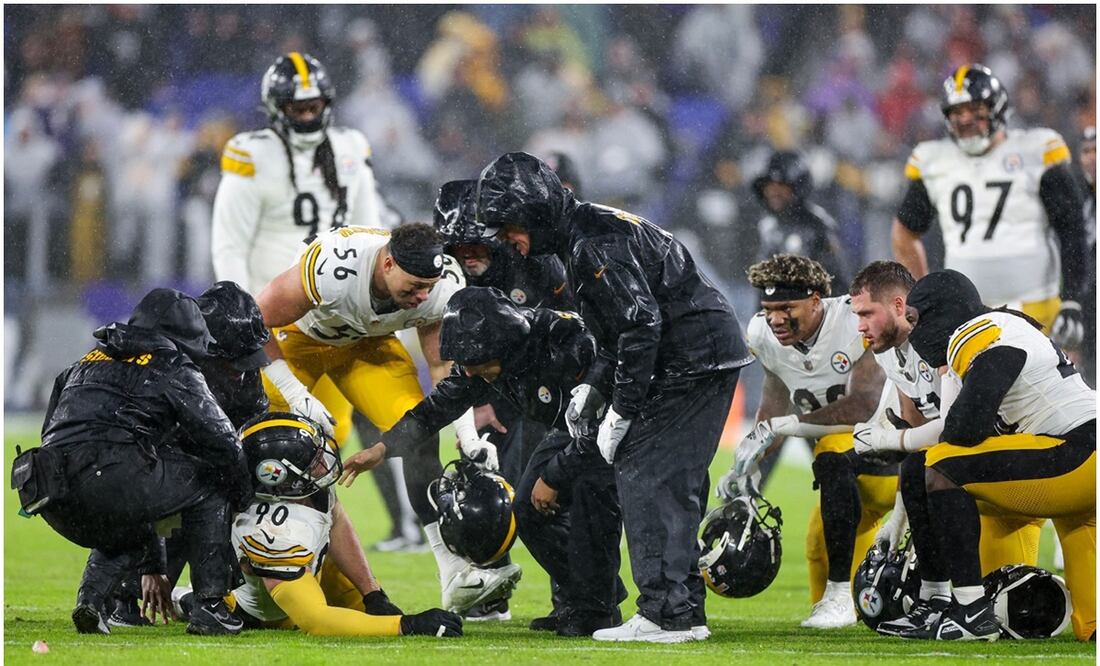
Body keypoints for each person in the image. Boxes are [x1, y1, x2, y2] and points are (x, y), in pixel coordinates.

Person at [475, 152, 753, 643]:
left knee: (647, 475)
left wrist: (621, 408)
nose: (507, 242)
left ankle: (668, 614)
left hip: (690, 360)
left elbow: (642, 325)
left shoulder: (592, 244)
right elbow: (622, 329)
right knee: (664, 480)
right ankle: (681, 608)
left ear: (533, 212)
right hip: (699, 354)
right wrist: (595, 385)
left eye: (508, 226)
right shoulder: (588, 232)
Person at [208, 51, 419, 553]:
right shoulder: (252, 152)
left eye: (315, 105)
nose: (307, 115)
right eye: (297, 107)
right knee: (265, 438)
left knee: (331, 435)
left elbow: (376, 235)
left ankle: (301, 544)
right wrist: (243, 320)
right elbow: (229, 244)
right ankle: (244, 547)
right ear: (276, 108)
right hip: (279, 324)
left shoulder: (348, 147)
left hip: (342, 317)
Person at [253, 222, 522, 614]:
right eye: (414, 286)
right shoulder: (334, 267)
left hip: (367, 346)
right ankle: (242, 572)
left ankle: (452, 573)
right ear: (388, 263)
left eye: (429, 287)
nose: (422, 296)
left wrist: (467, 434)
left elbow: (443, 366)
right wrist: (295, 393)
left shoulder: (439, 284)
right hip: (298, 341)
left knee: (417, 434)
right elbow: (256, 320)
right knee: (272, 448)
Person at [339, 287, 626, 636]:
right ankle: (591, 600)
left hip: (616, 427)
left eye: (476, 364)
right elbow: (436, 408)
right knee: (527, 508)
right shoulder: (485, 356)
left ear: (500, 344)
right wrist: (382, 449)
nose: (471, 373)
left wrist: (555, 475)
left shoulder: (569, 343)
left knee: (591, 503)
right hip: (567, 430)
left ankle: (630, 609)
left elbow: (600, 421)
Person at [19, 288, 253, 635]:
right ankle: (211, 606)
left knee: (121, 519)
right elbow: (223, 441)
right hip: (109, 477)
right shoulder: (173, 364)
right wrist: (243, 497)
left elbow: (53, 430)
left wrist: (154, 562)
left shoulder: (84, 361)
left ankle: (92, 601)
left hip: (49, 492)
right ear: (185, 336)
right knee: (211, 484)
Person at [845, 261, 1043, 635]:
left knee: (1019, 611)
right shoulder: (889, 352)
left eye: (867, 313)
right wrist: (897, 519)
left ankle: (961, 605)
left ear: (900, 307)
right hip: (961, 473)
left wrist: (889, 440)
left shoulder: (941, 337)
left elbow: (956, 429)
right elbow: (917, 437)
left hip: (1009, 466)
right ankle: (933, 598)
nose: (860, 325)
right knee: (917, 468)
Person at [898, 269, 1095, 641]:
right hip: (1082, 461)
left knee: (934, 466)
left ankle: (968, 610)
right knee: (1093, 628)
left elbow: (965, 427)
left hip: (1076, 454)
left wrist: (900, 440)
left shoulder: (978, 330)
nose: (912, 332)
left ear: (941, 312)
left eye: (913, 319)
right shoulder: (1010, 327)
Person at [715, 254, 895, 629]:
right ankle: (843, 608)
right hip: (844, 476)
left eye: (786, 307)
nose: (776, 319)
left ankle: (843, 594)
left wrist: (790, 426)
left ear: (816, 300)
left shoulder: (853, 320)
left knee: (831, 451)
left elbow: (864, 405)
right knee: (818, 545)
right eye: (768, 309)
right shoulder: (763, 334)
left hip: (893, 456)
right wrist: (749, 465)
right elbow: (774, 403)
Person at [173, 412, 462, 638]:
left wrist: (371, 592)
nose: (323, 464)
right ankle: (186, 599)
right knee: (370, 622)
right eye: (312, 462)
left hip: (314, 564)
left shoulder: (305, 490)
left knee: (371, 607)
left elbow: (336, 524)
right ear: (276, 478)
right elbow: (316, 619)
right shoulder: (272, 533)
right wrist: (406, 626)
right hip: (269, 615)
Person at [432, 180, 573, 622]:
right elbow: (443, 358)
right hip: (482, 394)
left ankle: (574, 599)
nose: (469, 254)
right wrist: (472, 407)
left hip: (546, 395)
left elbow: (573, 334)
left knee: (541, 496)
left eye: (478, 243)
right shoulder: (434, 279)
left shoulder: (540, 266)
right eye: (458, 246)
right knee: (476, 492)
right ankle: (488, 594)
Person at [108, 281, 273, 628]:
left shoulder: (239, 371)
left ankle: (196, 597)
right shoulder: (167, 369)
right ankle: (120, 597)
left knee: (203, 499)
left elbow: (248, 428)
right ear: (206, 346)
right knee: (166, 502)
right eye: (233, 361)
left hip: (196, 470)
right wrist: (151, 564)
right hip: (137, 474)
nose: (242, 371)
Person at [891, 64, 1087, 347]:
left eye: (975, 108)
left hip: (1037, 306)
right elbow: (905, 233)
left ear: (998, 108)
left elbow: (1072, 229)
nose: (966, 119)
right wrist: (923, 297)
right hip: (965, 312)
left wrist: (1072, 299)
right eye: (957, 112)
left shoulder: (1036, 150)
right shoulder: (935, 160)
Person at [751, 150, 850, 292]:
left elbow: (839, 283)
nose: (774, 192)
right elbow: (761, 287)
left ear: (798, 187)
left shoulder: (818, 226)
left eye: (782, 185)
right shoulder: (766, 226)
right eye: (769, 185)